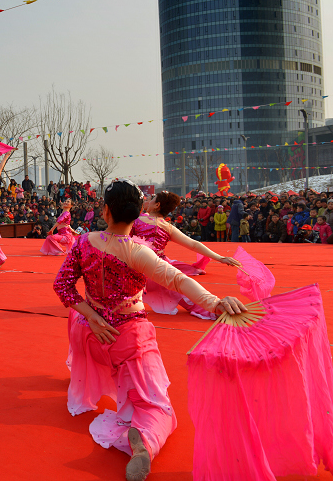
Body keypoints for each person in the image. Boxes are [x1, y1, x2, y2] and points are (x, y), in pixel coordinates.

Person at [53, 179, 246, 481]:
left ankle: (91, 377)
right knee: (159, 408)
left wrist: (91, 316)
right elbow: (178, 279)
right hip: (124, 339)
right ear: (136, 214)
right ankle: (145, 442)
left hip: (87, 334)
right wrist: (216, 302)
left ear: (105, 211)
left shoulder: (83, 242)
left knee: (77, 318)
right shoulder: (138, 251)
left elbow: (62, 287)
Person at [130, 191, 240, 319]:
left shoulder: (136, 221)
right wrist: (220, 258)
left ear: (157, 205)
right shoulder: (167, 227)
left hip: (135, 269)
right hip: (160, 270)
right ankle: (218, 310)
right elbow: (193, 244)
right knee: (186, 294)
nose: (148, 201)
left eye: (152, 199)